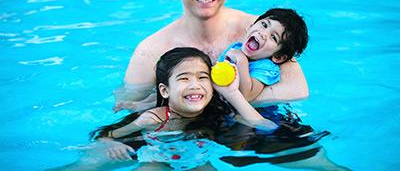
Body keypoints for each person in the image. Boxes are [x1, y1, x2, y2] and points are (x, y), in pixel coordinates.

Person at [114, 0, 308, 112]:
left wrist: (198, 98)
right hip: (188, 131)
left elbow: (298, 90)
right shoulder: (151, 50)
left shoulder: (261, 31)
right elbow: (127, 108)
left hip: (258, 124)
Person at [47, 47, 278, 171]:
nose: (195, 85)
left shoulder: (218, 113)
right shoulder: (152, 118)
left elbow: (266, 128)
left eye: (202, 77)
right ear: (165, 91)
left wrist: (231, 93)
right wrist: (110, 142)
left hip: (197, 158)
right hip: (155, 156)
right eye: (184, 78)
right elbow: (107, 134)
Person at [217, 8, 308, 102]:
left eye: (273, 37)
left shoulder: (265, 67)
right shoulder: (235, 47)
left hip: (268, 114)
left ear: (278, 57)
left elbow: (247, 96)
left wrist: (241, 61)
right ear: (250, 26)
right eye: (264, 25)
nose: (263, 34)